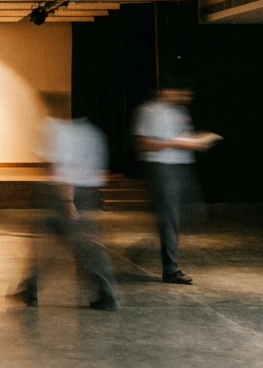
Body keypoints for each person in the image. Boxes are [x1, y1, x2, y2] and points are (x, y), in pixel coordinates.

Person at [13, 93, 118, 310]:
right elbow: (99, 172)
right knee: (60, 246)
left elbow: (60, 167)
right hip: (85, 193)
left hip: (62, 195)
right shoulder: (92, 133)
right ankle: (29, 289)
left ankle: (107, 292)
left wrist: (66, 200)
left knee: (70, 247)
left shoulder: (54, 129)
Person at [132, 73, 220, 285]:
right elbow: (143, 143)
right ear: (166, 91)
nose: (186, 96)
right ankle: (170, 268)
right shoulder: (148, 111)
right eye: (182, 91)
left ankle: (154, 248)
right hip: (163, 169)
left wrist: (198, 141)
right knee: (170, 218)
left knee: (190, 214)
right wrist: (178, 144)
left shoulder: (180, 111)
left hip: (182, 167)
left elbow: (184, 137)